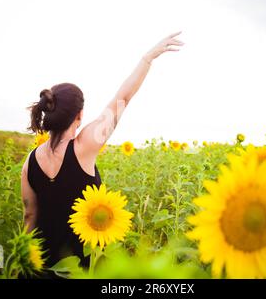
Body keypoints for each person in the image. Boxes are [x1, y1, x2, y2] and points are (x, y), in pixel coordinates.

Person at [20, 32, 184, 269]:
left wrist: (24, 265)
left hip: (41, 267)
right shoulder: (84, 145)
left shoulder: (30, 162)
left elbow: (29, 217)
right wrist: (147, 59)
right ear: (80, 115)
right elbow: (123, 98)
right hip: (82, 268)